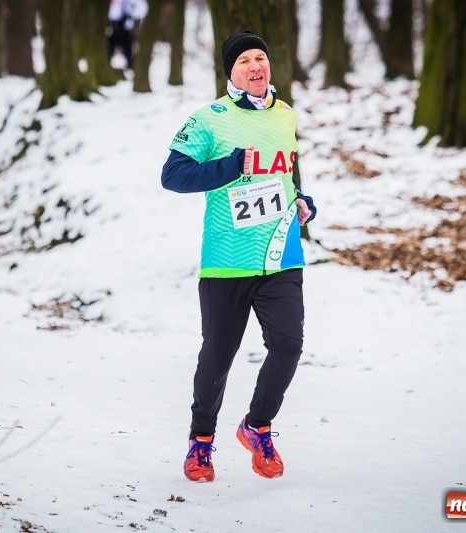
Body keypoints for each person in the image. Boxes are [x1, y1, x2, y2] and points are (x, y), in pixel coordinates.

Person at [161, 30, 317, 483]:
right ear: (230, 71)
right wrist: (230, 166)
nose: (256, 65)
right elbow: (173, 175)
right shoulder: (210, 118)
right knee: (218, 356)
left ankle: (257, 426)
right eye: (245, 59)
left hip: (280, 254)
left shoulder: (286, 114)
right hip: (227, 258)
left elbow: (284, 175)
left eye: (261, 58)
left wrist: (303, 201)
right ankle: (201, 443)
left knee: (288, 346)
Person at [107, 0, 149, 72]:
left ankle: (129, 67)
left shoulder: (136, 3)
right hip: (115, 27)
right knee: (110, 47)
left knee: (128, 48)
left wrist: (131, 15)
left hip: (126, 29)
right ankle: (107, 65)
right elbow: (112, 10)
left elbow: (143, 9)